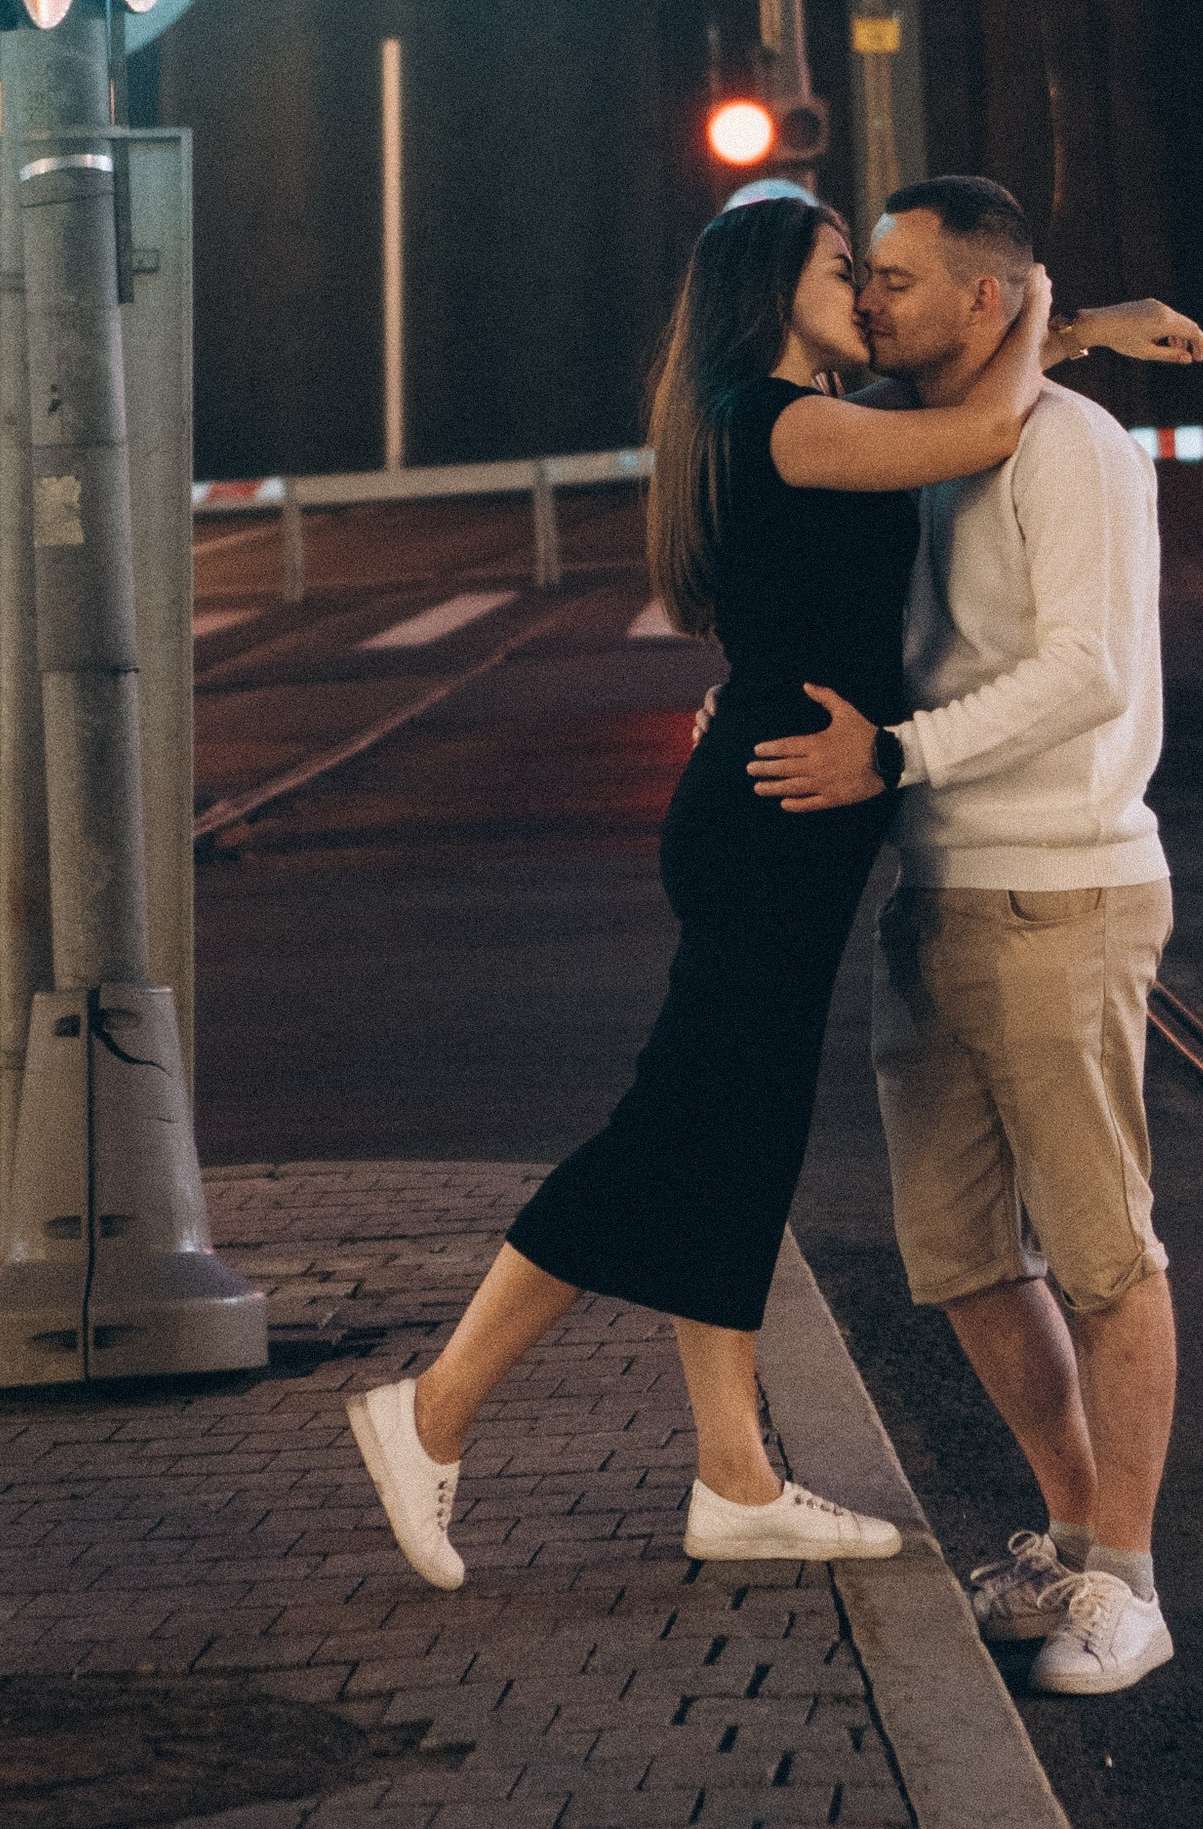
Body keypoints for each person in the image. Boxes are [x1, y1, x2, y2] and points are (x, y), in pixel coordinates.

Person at [346, 189, 1052, 1589]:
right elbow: (981, 427)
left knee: (738, 1136)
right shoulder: (772, 417)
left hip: (777, 813)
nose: (863, 290)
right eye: (842, 267)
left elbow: (942, 411)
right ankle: (427, 1413)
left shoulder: (781, 410)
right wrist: (1032, 304)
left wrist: (1080, 328)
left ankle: (736, 1479)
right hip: (770, 819)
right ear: (768, 280)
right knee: (671, 1130)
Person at [749, 175, 1186, 1699]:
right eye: (861, 278)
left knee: (1104, 1254)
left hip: (1061, 885)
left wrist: (900, 757)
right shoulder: (931, 439)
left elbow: (1083, 674)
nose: (868, 305)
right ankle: (1070, 1532)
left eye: (897, 282)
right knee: (958, 1259)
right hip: (933, 892)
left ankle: (1127, 1583)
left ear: (986, 303)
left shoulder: (1072, 452)